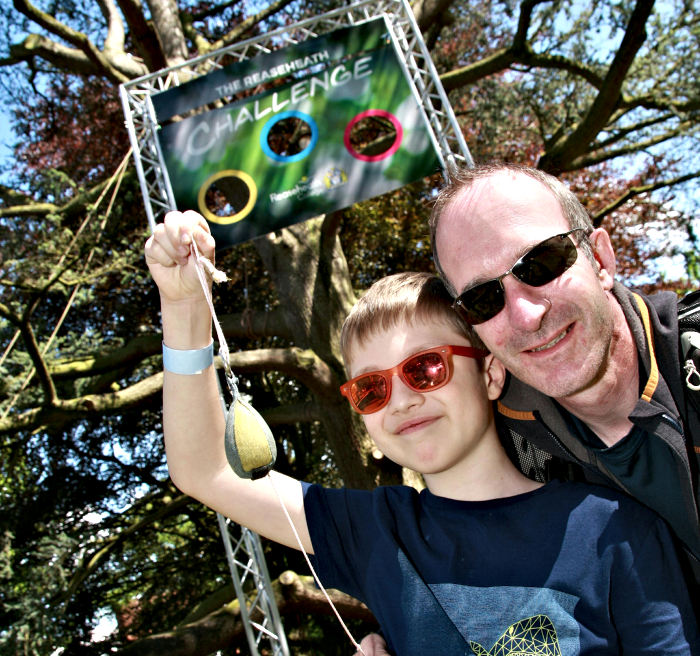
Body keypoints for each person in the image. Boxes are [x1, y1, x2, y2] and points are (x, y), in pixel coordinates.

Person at [146, 214, 698, 655]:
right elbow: (203, 470)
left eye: (425, 368)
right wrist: (184, 306)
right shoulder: (373, 533)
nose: (403, 399)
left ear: (489, 372)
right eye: (371, 389)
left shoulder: (618, 530)